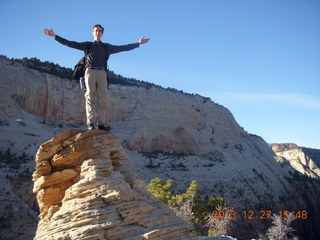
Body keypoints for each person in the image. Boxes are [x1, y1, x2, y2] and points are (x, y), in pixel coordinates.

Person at [43, 24, 150, 131]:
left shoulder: (106, 47)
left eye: (100, 31)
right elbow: (70, 43)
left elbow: (123, 48)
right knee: (90, 97)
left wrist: (138, 43)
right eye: (96, 30)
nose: (98, 32)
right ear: (92, 32)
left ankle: (101, 124)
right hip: (89, 72)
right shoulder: (88, 45)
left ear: (102, 33)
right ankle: (90, 123)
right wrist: (54, 36)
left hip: (102, 73)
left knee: (103, 99)